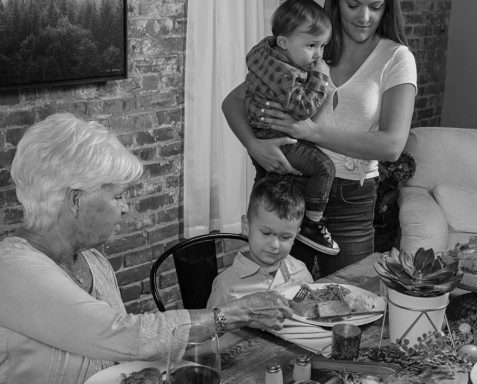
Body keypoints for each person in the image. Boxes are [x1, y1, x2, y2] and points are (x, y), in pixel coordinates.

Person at [0, 113, 292, 384]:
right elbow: (125, 336)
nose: (126, 209)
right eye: (119, 196)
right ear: (76, 199)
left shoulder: (94, 262)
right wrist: (234, 313)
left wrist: (244, 327)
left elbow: (132, 354)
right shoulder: (12, 271)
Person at [222, 0, 417, 276]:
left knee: (351, 303)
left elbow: (392, 146)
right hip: (284, 186)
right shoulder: (309, 42)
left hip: (350, 200)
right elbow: (232, 102)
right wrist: (253, 145)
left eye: (375, 6)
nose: (364, 16)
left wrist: (312, 132)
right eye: (352, 4)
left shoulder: (396, 57)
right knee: (274, 298)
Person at [245, 0, 339, 255]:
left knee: (272, 189)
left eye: (322, 45)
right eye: (311, 46)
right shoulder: (287, 73)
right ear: (284, 42)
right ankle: (312, 223)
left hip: (263, 134)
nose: (318, 54)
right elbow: (302, 109)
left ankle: (263, 223)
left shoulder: (265, 52)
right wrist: (320, 77)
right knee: (324, 168)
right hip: (276, 137)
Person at [207, 178, 314, 308]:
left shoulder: (301, 273)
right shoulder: (226, 286)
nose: (275, 245)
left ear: (296, 235)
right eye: (266, 233)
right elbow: (213, 326)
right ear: (246, 226)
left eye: (285, 237)